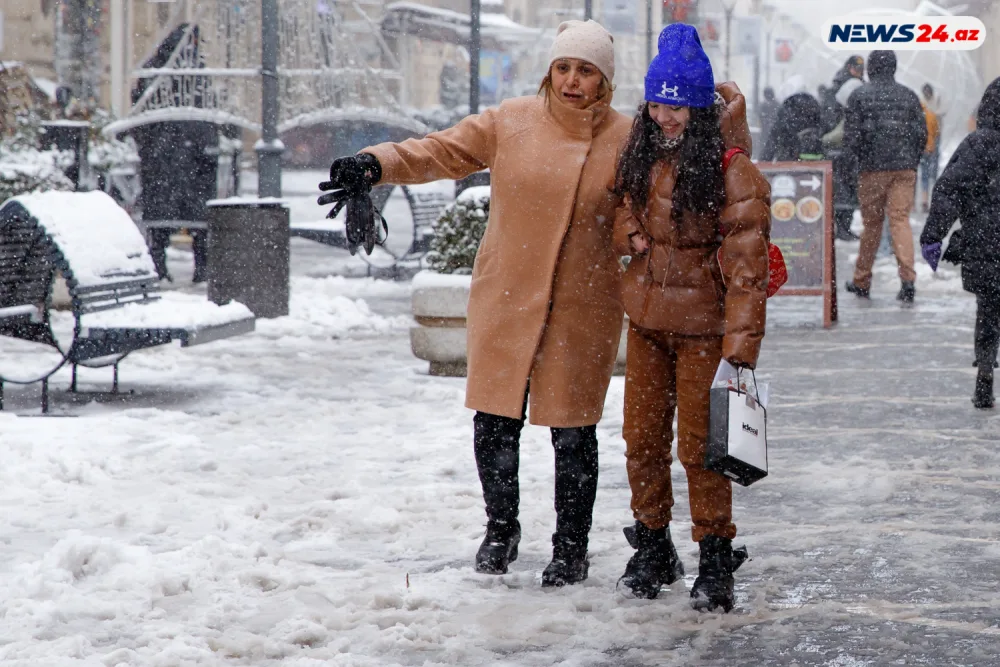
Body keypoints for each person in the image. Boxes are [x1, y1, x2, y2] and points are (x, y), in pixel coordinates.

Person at [318, 20, 633, 587]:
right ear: (549, 72)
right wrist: (374, 164)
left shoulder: (625, 137)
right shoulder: (509, 121)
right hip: (508, 294)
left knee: (573, 433)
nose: (571, 80)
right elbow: (438, 151)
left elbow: (660, 200)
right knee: (495, 420)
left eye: (586, 71)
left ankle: (570, 548)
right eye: (563, 68)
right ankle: (501, 527)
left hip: (583, 303)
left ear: (604, 80)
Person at [611, 23, 771, 612]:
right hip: (647, 321)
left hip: (705, 329)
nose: (666, 116)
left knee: (702, 448)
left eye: (678, 105)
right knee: (641, 440)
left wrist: (740, 352)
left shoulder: (734, 172)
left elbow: (749, 273)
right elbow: (620, 200)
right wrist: (629, 228)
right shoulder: (642, 150)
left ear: (699, 107)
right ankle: (653, 545)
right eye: (658, 102)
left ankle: (714, 556)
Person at [919, 78, 1000, 409]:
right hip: (987, 244)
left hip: (986, 244)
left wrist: (933, 234)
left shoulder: (979, 144)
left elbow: (949, 189)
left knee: (989, 309)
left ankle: (984, 375)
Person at [843, 50, 927, 304]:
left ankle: (862, 279)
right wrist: (911, 160)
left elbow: (851, 137)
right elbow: (921, 134)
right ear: (894, 68)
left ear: (870, 68)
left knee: (872, 225)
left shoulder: (859, 96)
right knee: (900, 220)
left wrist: (863, 157)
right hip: (903, 169)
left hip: (872, 168)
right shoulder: (909, 96)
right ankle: (908, 279)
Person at [821, 56, 865, 241]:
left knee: (847, 188)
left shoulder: (858, 87)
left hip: (848, 145)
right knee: (842, 188)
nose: (860, 71)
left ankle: (844, 226)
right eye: (857, 68)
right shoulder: (839, 90)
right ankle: (841, 226)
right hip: (840, 145)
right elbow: (830, 117)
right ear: (849, 68)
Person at [760, 75, 824, 162]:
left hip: (789, 162)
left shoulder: (785, 110)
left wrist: (763, 161)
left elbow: (772, 141)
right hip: (816, 161)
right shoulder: (815, 109)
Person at [919, 83, 941, 213]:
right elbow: (937, 132)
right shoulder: (931, 116)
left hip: (920, 149)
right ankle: (930, 200)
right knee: (931, 174)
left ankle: (923, 200)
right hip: (930, 148)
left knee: (923, 175)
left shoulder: (916, 115)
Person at [757, 86, 779, 154]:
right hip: (773, 131)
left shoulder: (763, 105)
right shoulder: (776, 104)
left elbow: (760, 116)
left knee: (765, 147)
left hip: (766, 130)